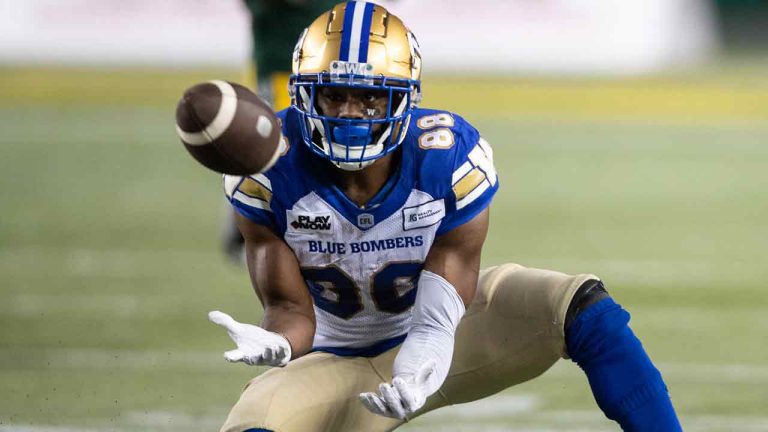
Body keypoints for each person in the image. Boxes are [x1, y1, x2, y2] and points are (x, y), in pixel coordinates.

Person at [211, 2, 683, 431]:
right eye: (334, 96)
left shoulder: (445, 157)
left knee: (584, 309)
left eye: (369, 98)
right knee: (251, 425)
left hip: (448, 334)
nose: (350, 115)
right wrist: (279, 342)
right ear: (303, 95)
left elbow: (437, 317)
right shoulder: (268, 168)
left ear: (403, 99)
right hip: (330, 360)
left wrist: (419, 365)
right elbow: (291, 311)